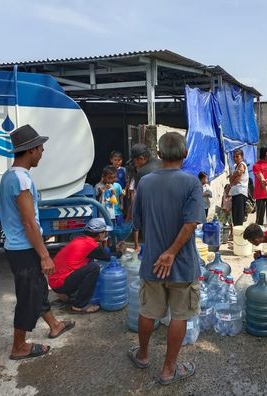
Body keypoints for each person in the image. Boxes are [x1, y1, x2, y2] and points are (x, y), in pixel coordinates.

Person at [129, 132, 204, 386]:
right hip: (182, 264)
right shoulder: (192, 183)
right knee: (179, 316)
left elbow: (136, 222)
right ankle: (168, 370)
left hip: (152, 261)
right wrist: (172, 252)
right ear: (185, 154)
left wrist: (160, 250)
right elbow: (191, 222)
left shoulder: (145, 182)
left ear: (159, 155)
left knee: (148, 311)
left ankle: (142, 355)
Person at [0, 124, 74, 361]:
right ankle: (19, 346)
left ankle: (54, 325)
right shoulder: (21, 180)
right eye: (40, 148)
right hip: (24, 249)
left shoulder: (10, 176)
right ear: (30, 150)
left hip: (19, 247)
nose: (42, 152)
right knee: (28, 298)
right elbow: (29, 223)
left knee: (39, 289)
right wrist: (44, 255)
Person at [49, 218, 114, 314]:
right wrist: (120, 251)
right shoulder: (92, 245)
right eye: (105, 232)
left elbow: (102, 253)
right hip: (60, 283)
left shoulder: (81, 240)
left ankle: (67, 295)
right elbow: (108, 257)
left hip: (54, 280)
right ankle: (79, 305)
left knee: (87, 263)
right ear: (100, 234)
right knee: (94, 267)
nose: (106, 235)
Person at [127, 143, 162, 251]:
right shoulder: (161, 163)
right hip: (169, 212)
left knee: (153, 248)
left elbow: (140, 198)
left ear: (141, 158)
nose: (134, 164)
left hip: (153, 215)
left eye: (134, 161)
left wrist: (132, 213)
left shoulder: (142, 173)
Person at [228, 148, 249, 226]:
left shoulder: (242, 165)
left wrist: (232, 176)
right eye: (234, 157)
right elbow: (232, 180)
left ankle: (238, 235)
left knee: (238, 217)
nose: (235, 158)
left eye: (237, 156)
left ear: (242, 157)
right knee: (235, 216)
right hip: (236, 193)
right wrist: (233, 175)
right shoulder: (236, 166)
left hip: (240, 193)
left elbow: (236, 180)